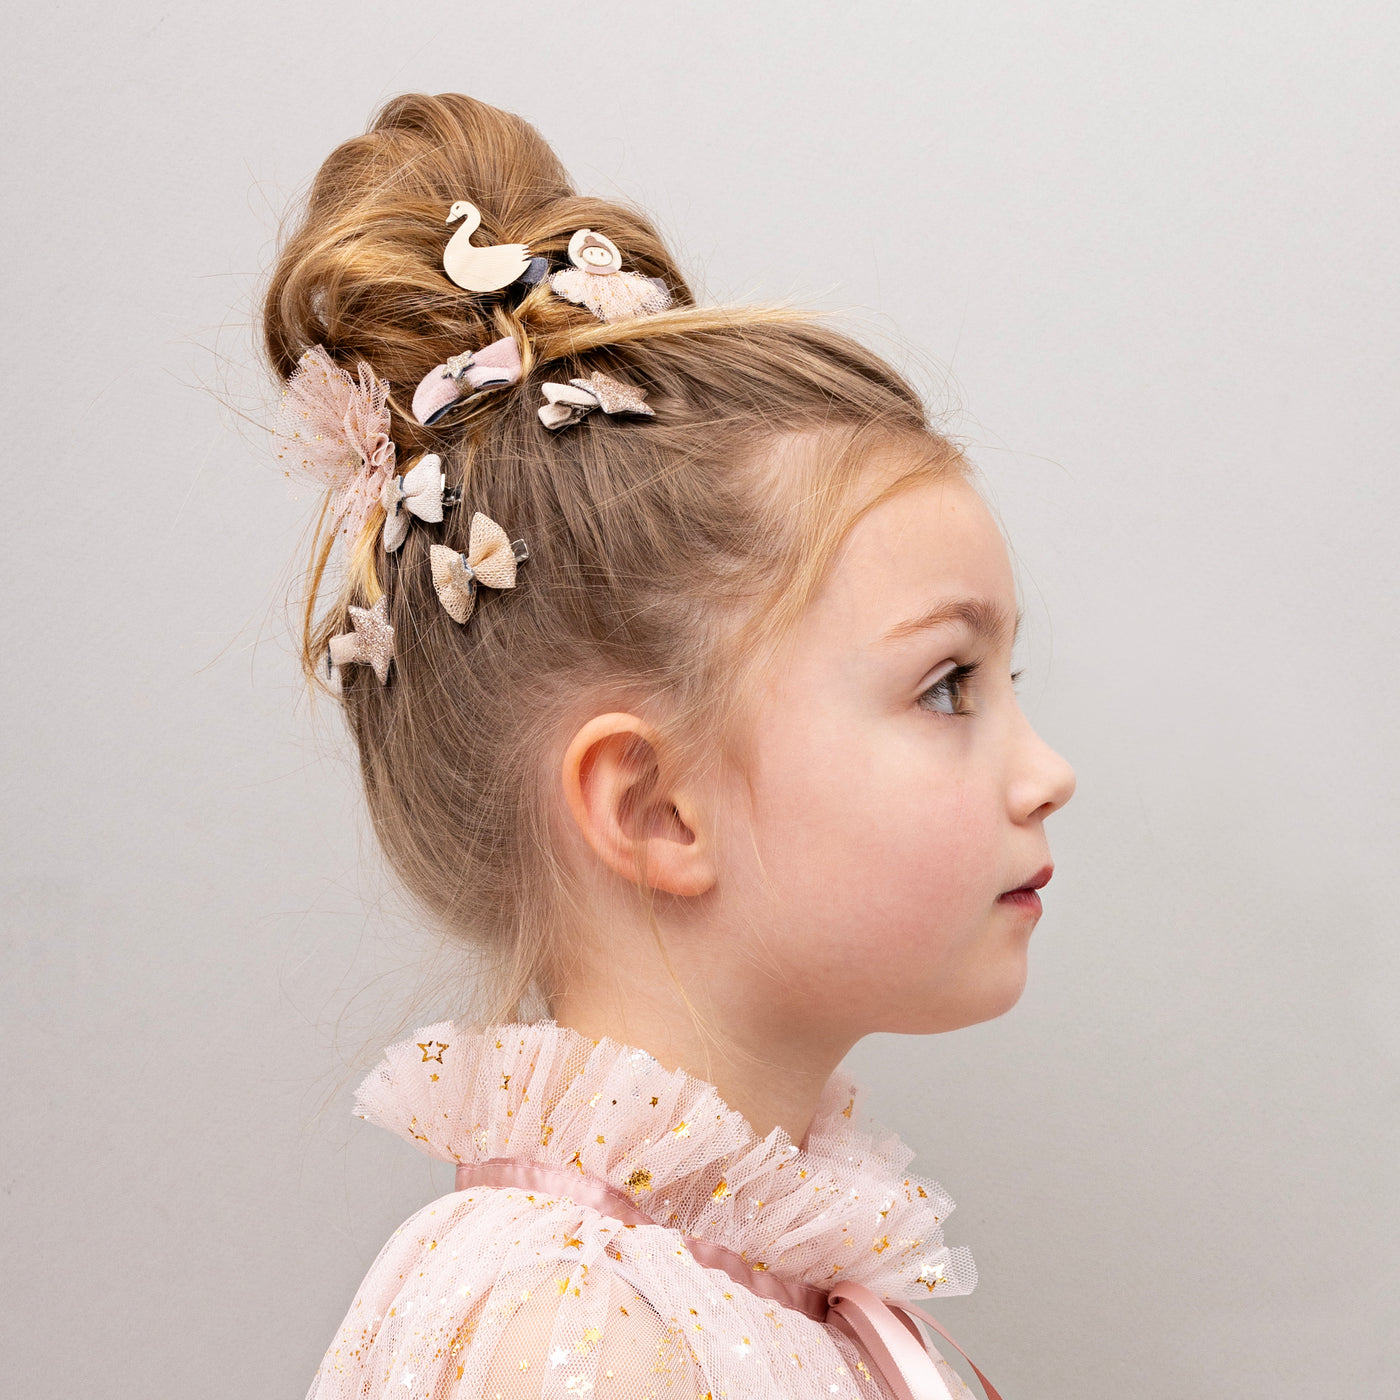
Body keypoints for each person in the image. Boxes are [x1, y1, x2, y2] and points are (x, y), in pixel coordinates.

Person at [260, 90, 1076, 1400]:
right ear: (656, 807)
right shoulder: (572, 1333)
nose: (1048, 771)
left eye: (1004, 678)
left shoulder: (797, 1307)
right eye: (946, 685)